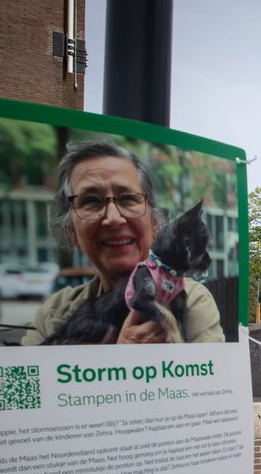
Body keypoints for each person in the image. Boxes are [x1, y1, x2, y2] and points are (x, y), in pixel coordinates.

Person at [20, 140, 224, 346]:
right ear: (72, 232)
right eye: (91, 200)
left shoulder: (192, 300)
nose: (113, 218)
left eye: (127, 198)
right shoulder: (53, 312)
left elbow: (213, 374)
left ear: (155, 224)